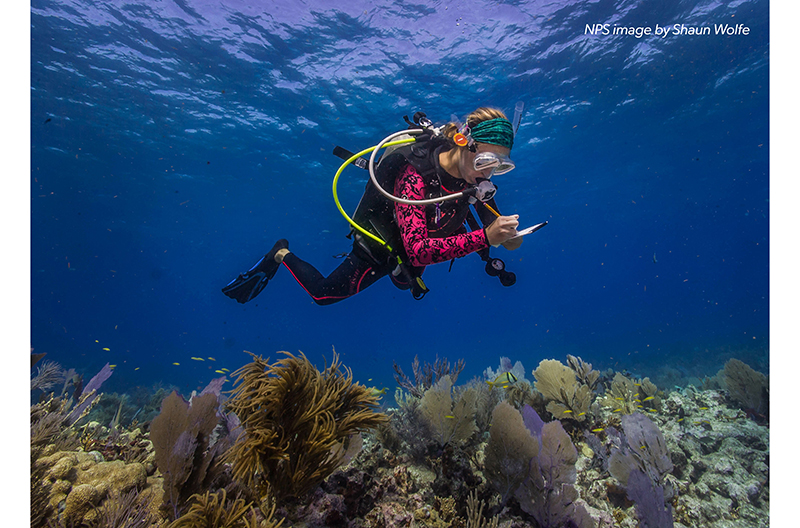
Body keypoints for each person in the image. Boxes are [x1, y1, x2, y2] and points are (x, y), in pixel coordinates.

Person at [222, 107, 524, 305]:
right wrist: (486, 238)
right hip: (381, 242)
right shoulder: (415, 175)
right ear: (462, 142)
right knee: (323, 295)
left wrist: (509, 236)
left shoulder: (476, 180)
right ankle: (280, 252)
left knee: (406, 283)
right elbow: (419, 249)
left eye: (500, 167)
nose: (489, 174)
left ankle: (399, 272)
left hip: (415, 248)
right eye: (486, 161)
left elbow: (494, 224)